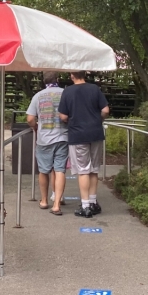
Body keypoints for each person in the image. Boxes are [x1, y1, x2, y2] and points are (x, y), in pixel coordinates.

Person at [57, 71, 109, 218]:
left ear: (72, 75)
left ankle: (85, 205)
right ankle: (93, 202)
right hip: (96, 133)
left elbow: (63, 116)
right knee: (94, 169)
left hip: (78, 134)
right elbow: (105, 110)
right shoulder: (94, 89)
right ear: (84, 75)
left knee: (83, 170)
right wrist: (97, 119)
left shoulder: (68, 92)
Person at [25, 71, 69, 215]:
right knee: (60, 169)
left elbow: (30, 119)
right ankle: (57, 203)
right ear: (57, 79)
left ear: (44, 81)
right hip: (63, 137)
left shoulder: (38, 96)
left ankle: (44, 200)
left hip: (44, 139)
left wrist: (35, 127)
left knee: (44, 170)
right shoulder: (66, 93)